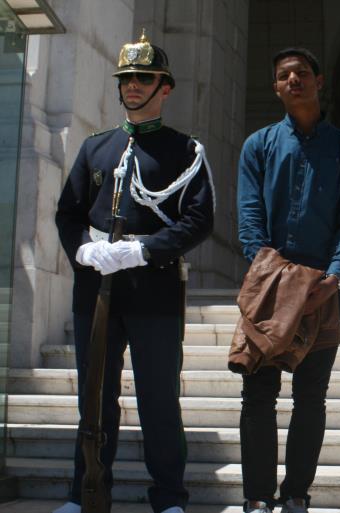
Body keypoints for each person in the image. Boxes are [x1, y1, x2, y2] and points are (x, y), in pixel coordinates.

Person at [54, 30, 215, 513]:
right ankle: (86, 493)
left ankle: (169, 497)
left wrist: (144, 251)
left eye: (144, 78)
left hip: (154, 290)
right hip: (96, 291)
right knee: (94, 401)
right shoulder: (95, 148)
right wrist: (84, 250)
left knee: (159, 401)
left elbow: (199, 220)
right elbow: (68, 213)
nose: (133, 86)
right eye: (126, 78)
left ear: (164, 86)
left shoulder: (184, 152)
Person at [236, 47, 340, 513]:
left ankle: (296, 495)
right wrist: (270, 273)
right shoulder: (258, 145)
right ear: (275, 87)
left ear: (319, 80)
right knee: (258, 395)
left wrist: (333, 278)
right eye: (283, 75)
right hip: (268, 285)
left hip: (323, 288)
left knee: (310, 397)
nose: (293, 80)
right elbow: (249, 217)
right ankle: (257, 496)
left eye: (301, 73)